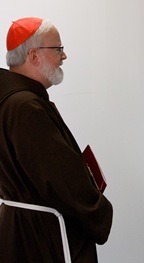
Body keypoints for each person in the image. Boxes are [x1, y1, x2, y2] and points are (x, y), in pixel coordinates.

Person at [0, 17, 113, 262]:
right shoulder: (26, 106)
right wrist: (99, 208)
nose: (64, 56)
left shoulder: (14, 100)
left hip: (21, 228)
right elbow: (58, 177)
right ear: (34, 56)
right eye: (58, 49)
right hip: (40, 237)